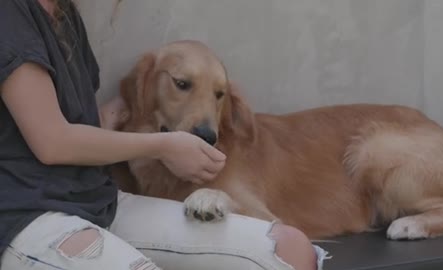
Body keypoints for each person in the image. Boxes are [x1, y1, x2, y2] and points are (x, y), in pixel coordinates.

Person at [0, 0, 328, 269]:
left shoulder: (63, 13)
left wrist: (135, 103)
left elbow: (84, 125)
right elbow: (53, 143)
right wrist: (164, 146)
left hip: (95, 200)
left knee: (291, 250)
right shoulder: (9, 14)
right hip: (28, 215)